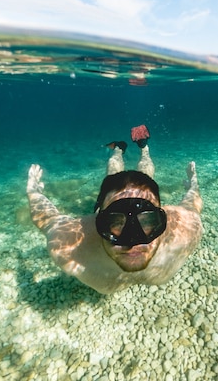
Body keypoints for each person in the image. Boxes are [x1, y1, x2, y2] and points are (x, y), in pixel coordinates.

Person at [27, 125, 203, 294]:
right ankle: (119, 149)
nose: (132, 241)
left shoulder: (186, 230)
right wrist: (33, 191)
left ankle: (144, 148)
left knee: (144, 177)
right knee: (113, 173)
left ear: (161, 219)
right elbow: (46, 219)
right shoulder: (68, 246)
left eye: (147, 220)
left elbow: (47, 220)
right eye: (116, 222)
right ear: (99, 222)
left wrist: (193, 183)